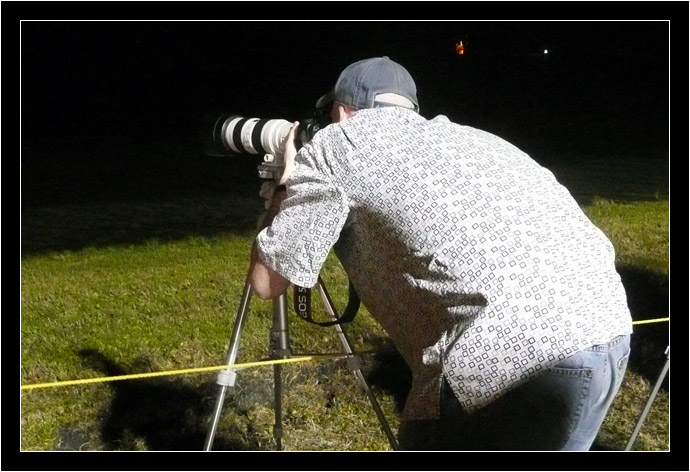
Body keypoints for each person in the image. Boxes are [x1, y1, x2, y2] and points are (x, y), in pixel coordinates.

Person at [248, 56, 633, 451]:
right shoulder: (475, 138)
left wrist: (286, 184)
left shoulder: (339, 143)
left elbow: (267, 280)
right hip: (606, 332)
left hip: (504, 361)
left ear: (343, 112)